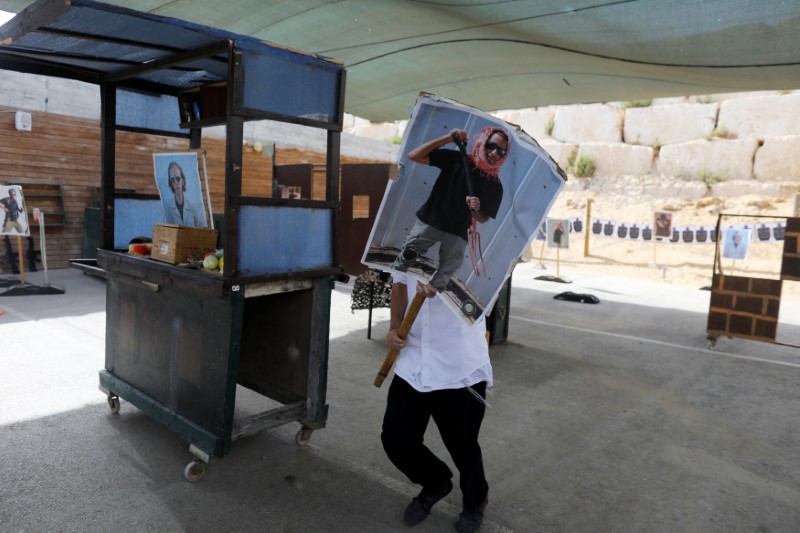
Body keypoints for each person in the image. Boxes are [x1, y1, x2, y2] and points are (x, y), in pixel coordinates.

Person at [382, 274, 492, 533]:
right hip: (414, 359)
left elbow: (482, 303)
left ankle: (476, 499)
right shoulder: (406, 234)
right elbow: (399, 283)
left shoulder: (482, 240)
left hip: (458, 366)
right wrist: (395, 325)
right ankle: (436, 482)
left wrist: (446, 285)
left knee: (463, 446)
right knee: (396, 439)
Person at [391, 125, 509, 291]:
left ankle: (422, 306)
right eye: (491, 145)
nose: (495, 153)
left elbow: (483, 218)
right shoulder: (458, 159)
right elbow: (414, 155)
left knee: (440, 283)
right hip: (430, 221)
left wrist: (476, 208)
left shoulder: (495, 186)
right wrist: (448, 138)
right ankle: (400, 310)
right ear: (483, 142)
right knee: (401, 269)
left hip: (458, 234)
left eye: (501, 151)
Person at [164, 161, 206, 227]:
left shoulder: (193, 207)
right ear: (171, 183)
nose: (176, 182)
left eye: (178, 178)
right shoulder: (168, 208)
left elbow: (202, 230)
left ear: (182, 181)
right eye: (172, 179)